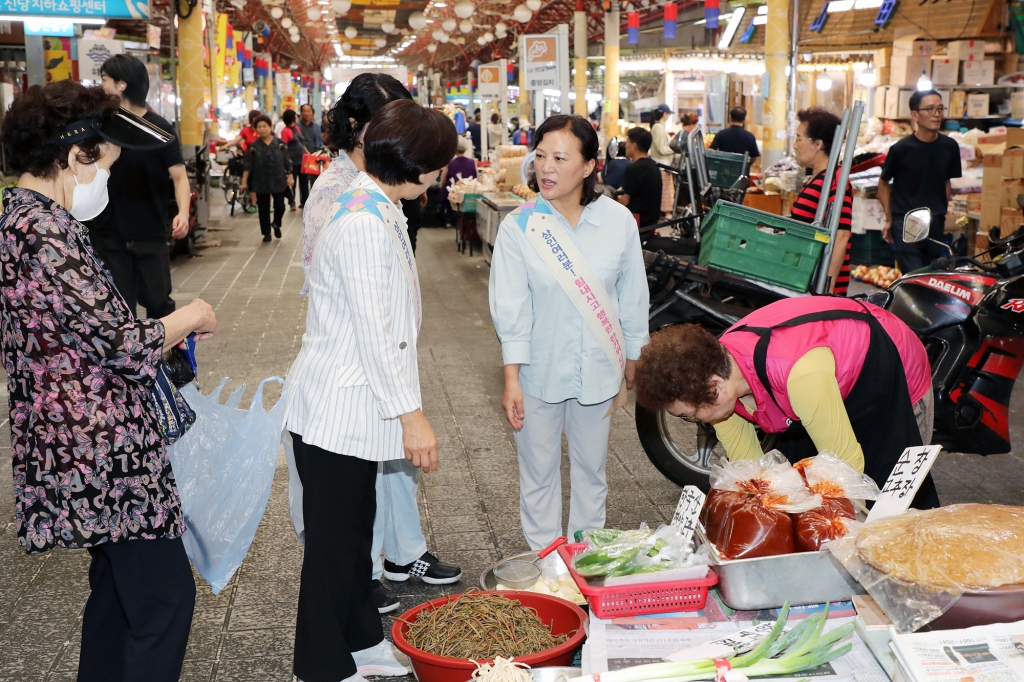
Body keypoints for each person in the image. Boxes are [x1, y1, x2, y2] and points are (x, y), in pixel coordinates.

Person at [0, 80, 219, 682]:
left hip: (68, 437)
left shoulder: (18, 218)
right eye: (108, 165)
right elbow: (121, 344)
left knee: (117, 597)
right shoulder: (45, 230)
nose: (107, 180)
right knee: (163, 601)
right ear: (77, 155)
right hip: (103, 449)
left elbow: (77, 329)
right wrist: (190, 316)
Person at [283, 98, 458, 682]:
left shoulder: (376, 203)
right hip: (336, 410)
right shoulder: (363, 221)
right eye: (437, 162)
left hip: (353, 411)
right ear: (413, 164)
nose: (441, 173)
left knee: (356, 537)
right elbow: (376, 335)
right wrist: (412, 416)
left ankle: (361, 641)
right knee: (333, 549)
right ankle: (322, 665)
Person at [489, 114, 650, 550]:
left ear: (588, 166)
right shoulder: (519, 227)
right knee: (538, 475)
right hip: (538, 373)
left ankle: (585, 557)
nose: (546, 167)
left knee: (591, 474)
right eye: (541, 156)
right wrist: (511, 379)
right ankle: (547, 563)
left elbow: (633, 295)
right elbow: (511, 309)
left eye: (560, 158)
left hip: (599, 370)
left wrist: (634, 355)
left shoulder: (618, 222)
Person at [632, 296, 937, 509]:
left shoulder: (800, 375)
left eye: (690, 415)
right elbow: (751, 471)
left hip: (886, 365)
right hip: (818, 383)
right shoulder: (717, 381)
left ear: (716, 387)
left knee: (890, 500)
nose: (694, 422)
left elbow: (846, 467)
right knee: (796, 485)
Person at [86, 54, 190, 319]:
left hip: (149, 232)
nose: (101, 86)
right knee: (119, 312)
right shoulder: (102, 127)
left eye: (105, 79)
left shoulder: (159, 129)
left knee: (159, 306)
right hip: (108, 233)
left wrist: (183, 213)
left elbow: (179, 176)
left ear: (122, 85)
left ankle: (168, 348)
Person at [878, 90, 961, 273]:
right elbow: (883, 184)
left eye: (940, 108)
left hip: (935, 221)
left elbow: (946, 181)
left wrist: (942, 213)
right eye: (930, 109)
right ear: (914, 114)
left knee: (930, 273)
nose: (937, 114)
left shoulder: (950, 147)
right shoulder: (901, 149)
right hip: (908, 220)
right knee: (916, 275)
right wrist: (889, 219)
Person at [790, 107, 852, 295]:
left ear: (818, 144)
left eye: (799, 139)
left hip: (819, 286)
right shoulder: (816, 179)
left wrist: (827, 288)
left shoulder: (835, 180)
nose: (795, 145)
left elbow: (841, 236)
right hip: (804, 278)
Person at [240, 114, 293, 242]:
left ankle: (276, 223)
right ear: (256, 129)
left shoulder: (279, 144)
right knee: (263, 208)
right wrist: (244, 181)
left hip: (278, 179)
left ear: (270, 127)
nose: (262, 129)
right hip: (260, 180)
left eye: (264, 126)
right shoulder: (254, 146)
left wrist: (290, 176)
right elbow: (248, 165)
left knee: (280, 206)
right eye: (259, 127)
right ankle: (266, 233)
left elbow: (287, 161)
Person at [618, 127, 662, 228]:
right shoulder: (654, 166)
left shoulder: (633, 169)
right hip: (651, 222)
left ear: (634, 146)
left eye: (627, 142)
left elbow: (624, 201)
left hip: (636, 222)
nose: (626, 146)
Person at [438, 137, 478, 226]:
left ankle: (449, 219)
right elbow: (477, 178)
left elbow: (443, 180)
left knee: (444, 191)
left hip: (453, 196)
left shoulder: (450, 163)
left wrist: (442, 186)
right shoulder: (472, 162)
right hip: (469, 195)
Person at [710, 107, 761, 173]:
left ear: (730, 117)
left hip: (724, 172)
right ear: (744, 119)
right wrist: (746, 165)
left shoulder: (721, 134)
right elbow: (754, 156)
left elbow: (711, 151)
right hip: (742, 173)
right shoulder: (750, 136)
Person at [649, 104, 676, 216]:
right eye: (668, 114)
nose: (669, 116)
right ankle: (667, 215)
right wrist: (675, 149)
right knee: (666, 192)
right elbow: (661, 148)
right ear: (665, 114)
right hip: (662, 165)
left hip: (661, 163)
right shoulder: (658, 128)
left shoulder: (658, 127)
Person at [297, 103, 323, 208]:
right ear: (301, 113)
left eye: (309, 111)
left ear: (312, 113)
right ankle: (304, 201)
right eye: (304, 111)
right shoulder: (297, 126)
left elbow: (319, 141)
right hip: (301, 157)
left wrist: (319, 153)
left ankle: (313, 200)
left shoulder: (316, 126)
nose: (307, 113)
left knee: (314, 180)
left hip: (314, 156)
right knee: (303, 180)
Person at [281, 109, 306, 211]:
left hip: (303, 160)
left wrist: (308, 153)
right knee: (292, 182)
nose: (297, 118)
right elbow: (284, 147)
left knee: (304, 182)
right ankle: (292, 202)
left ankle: (304, 201)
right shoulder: (285, 131)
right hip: (292, 161)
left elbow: (302, 144)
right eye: (296, 116)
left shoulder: (297, 128)